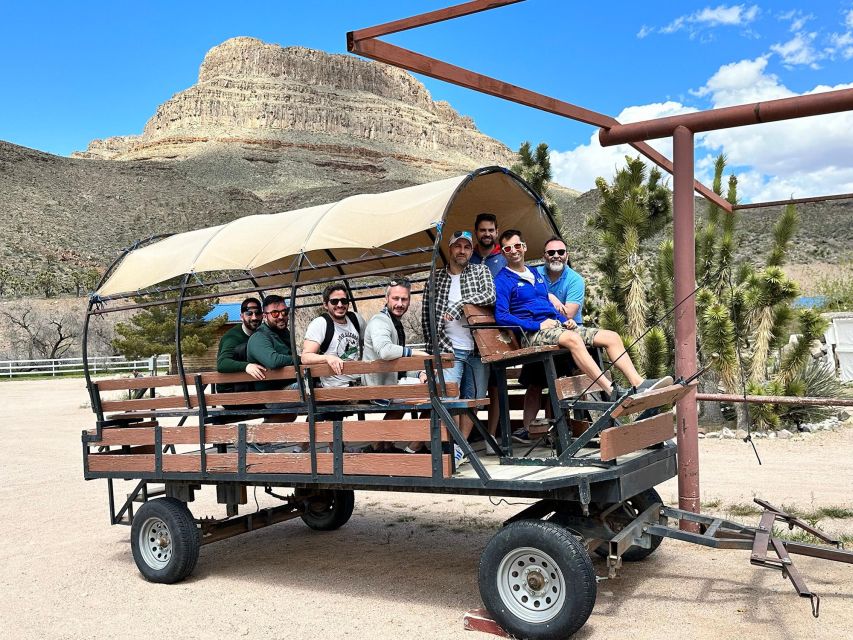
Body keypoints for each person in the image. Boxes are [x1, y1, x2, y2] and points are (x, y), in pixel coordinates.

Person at [494, 229, 672, 398]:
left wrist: (565, 320)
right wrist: (537, 325)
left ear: (524, 247)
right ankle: (611, 391)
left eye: (517, 246)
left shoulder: (535, 273)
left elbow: (546, 304)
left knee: (611, 337)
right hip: (532, 333)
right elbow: (501, 316)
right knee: (573, 339)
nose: (514, 251)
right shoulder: (503, 280)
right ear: (503, 253)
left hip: (555, 327)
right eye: (508, 248)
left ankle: (638, 383)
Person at [421, 230, 495, 452]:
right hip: (448, 349)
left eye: (467, 247)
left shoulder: (480, 271)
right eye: (458, 246)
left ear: (471, 250)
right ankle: (449, 448)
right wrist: (431, 353)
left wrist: (459, 304)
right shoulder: (435, 278)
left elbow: (490, 295)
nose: (462, 251)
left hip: (477, 348)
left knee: (475, 399)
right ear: (450, 248)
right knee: (450, 399)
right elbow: (426, 316)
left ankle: (460, 449)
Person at [516, 237, 586, 440]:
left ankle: (555, 430)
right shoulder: (534, 274)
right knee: (534, 384)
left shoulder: (575, 280)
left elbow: (569, 313)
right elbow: (526, 303)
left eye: (560, 252)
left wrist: (544, 300)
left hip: (565, 337)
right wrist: (551, 298)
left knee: (558, 384)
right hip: (540, 335)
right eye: (551, 252)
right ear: (543, 256)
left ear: (567, 255)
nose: (556, 255)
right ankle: (529, 431)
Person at [363, 277, 430, 454]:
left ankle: (379, 445)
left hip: (388, 383)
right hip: (380, 386)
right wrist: (416, 353)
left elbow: (397, 365)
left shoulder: (393, 322)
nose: (400, 303)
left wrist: (419, 373)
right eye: (396, 298)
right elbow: (385, 351)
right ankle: (414, 447)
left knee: (429, 386)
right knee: (438, 392)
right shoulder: (380, 321)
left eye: (404, 299)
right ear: (387, 299)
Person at [246, 295, 299, 430]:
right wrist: (300, 359)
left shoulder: (284, 333)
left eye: (284, 312)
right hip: (272, 394)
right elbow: (273, 361)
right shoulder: (259, 336)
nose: (281, 316)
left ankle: (256, 441)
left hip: (287, 386)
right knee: (319, 390)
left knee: (325, 388)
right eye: (275, 313)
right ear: (265, 316)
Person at [301, 283, 365, 388]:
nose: (340, 305)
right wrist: (328, 358)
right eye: (334, 301)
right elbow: (305, 357)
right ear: (326, 305)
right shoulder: (320, 324)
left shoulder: (355, 319)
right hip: (336, 388)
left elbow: (368, 343)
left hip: (361, 382)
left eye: (344, 301)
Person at [215, 297, 267, 391]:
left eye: (257, 313)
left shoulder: (262, 333)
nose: (254, 317)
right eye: (249, 314)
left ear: (262, 315)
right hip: (231, 392)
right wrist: (247, 366)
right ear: (241, 316)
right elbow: (222, 363)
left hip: (254, 386)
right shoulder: (232, 337)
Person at [469, 212, 507, 278]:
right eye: (482, 230)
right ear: (476, 232)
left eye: (491, 230)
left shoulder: (506, 256)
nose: (487, 234)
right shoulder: (468, 257)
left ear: (497, 232)